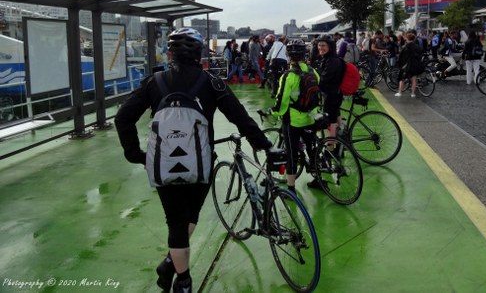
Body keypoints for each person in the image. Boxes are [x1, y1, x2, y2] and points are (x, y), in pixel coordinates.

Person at [114, 28, 274, 293]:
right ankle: (176, 271)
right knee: (190, 216)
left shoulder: (154, 82)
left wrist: (139, 156)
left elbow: (123, 118)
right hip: (201, 164)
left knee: (176, 222)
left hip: (164, 164)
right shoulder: (211, 82)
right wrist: (263, 143)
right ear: (199, 53)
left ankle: (181, 278)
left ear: (171, 53)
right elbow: (240, 117)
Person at [269, 39, 320, 192]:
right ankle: (319, 179)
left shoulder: (288, 76)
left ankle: (291, 189)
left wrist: (272, 112)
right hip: (311, 118)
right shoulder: (313, 71)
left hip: (293, 122)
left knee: (291, 155)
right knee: (312, 150)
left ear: (289, 56)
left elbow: (281, 101)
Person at [315, 34, 344, 138]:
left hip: (332, 95)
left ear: (330, 47)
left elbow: (323, 79)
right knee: (335, 116)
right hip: (333, 94)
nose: (320, 48)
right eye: (319, 45)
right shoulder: (328, 58)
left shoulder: (332, 61)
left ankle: (331, 147)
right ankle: (342, 138)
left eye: (323, 45)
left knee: (331, 122)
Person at [395, 31, 423, 98]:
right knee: (414, 79)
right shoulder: (417, 46)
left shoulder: (406, 46)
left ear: (407, 39)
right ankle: (413, 93)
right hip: (415, 65)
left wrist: (399, 64)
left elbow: (401, 57)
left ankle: (400, 92)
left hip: (407, 65)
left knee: (402, 79)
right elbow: (420, 56)